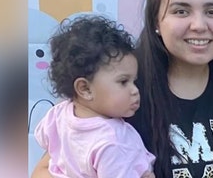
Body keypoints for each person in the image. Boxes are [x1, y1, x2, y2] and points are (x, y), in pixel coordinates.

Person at [32, 0, 213, 178]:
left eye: (212, 12)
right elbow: (46, 171)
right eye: (181, 11)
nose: (199, 25)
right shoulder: (122, 90)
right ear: (156, 21)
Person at [33, 15, 156, 178]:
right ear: (84, 88)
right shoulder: (114, 142)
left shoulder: (58, 115)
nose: (135, 90)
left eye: (135, 81)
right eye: (123, 82)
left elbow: (45, 142)